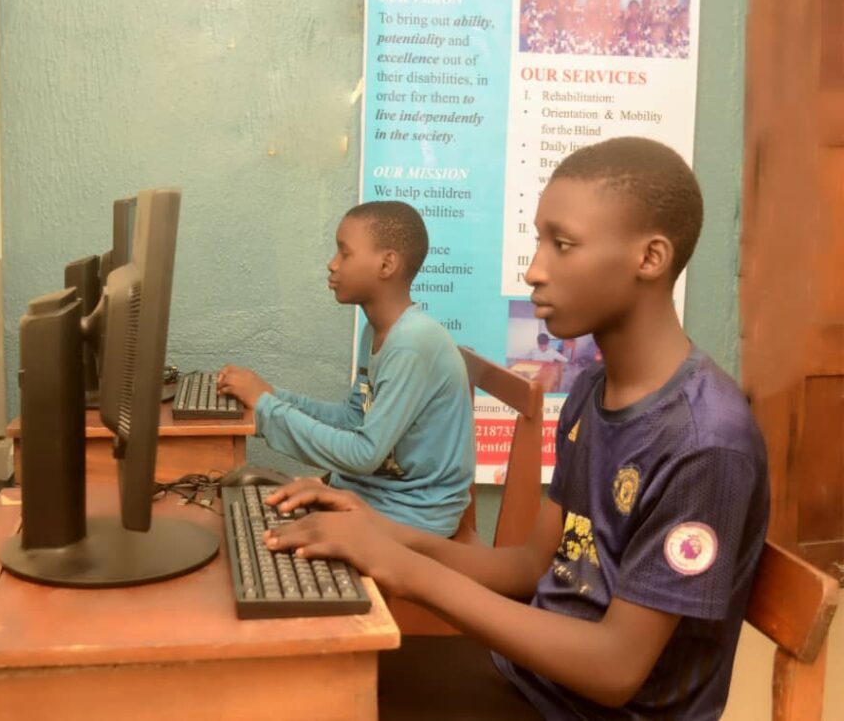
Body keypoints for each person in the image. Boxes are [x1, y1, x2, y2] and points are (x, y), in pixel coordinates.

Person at [262, 138, 770, 719]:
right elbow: (527, 567)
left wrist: (405, 570)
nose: (534, 268)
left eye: (563, 244)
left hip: (590, 711)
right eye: (538, 241)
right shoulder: (591, 394)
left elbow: (614, 669)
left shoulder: (704, 440)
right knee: (306, 684)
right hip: (530, 682)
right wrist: (376, 530)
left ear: (650, 258)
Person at [217, 200, 474, 537]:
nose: (332, 264)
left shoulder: (412, 344)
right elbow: (354, 420)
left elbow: (363, 455)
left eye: (344, 253)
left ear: (386, 264)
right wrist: (271, 396)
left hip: (412, 516)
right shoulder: (379, 331)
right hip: (376, 497)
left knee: (268, 539)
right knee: (249, 519)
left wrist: (267, 409)